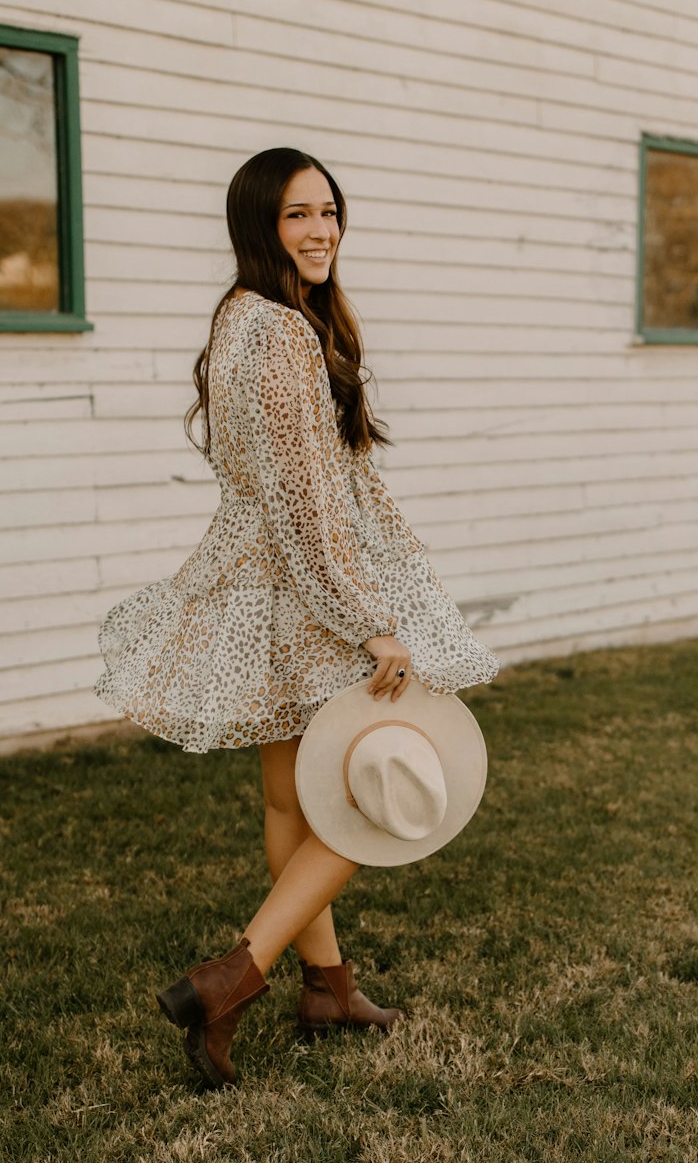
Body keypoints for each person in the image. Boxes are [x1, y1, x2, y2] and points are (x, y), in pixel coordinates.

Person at [94, 147, 500, 1090]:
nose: (321, 232)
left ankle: (329, 987)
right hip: (306, 591)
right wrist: (369, 620)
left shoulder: (240, 319)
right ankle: (235, 977)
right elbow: (306, 498)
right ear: (258, 228)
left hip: (265, 578)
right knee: (380, 795)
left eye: (330, 212)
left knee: (294, 798)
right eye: (297, 218)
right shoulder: (278, 335)